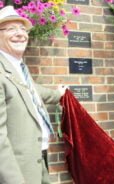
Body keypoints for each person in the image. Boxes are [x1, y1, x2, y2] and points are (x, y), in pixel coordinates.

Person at [0, 6, 67, 184]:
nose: (20, 34)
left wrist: (58, 94)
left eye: (23, 29)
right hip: (17, 172)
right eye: (11, 28)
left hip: (38, 161)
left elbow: (32, 90)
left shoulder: (18, 67)